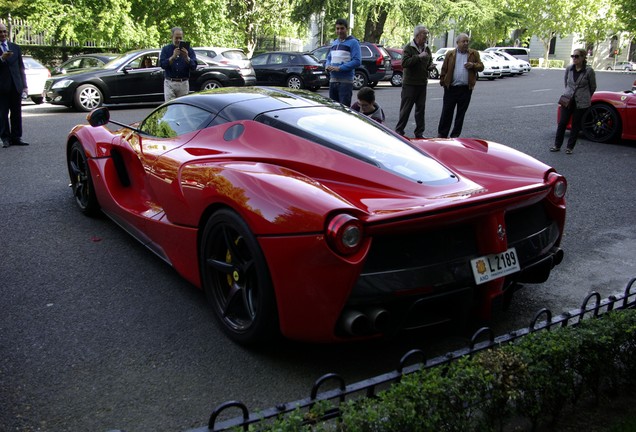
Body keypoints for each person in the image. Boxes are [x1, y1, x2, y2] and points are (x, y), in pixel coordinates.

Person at [437, 33, 484, 138]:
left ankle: (455, 135)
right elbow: (444, 69)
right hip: (451, 88)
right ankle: (442, 134)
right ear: (457, 43)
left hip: (466, 89)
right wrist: (443, 81)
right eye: (463, 41)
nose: (466, 43)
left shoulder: (473, 54)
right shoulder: (450, 54)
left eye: (467, 41)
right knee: (447, 112)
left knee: (460, 114)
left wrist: (473, 65)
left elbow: (481, 66)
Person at [551, 48, 596, 154]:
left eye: (577, 56)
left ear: (583, 58)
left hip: (581, 101)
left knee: (576, 124)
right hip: (567, 99)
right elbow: (566, 83)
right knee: (562, 123)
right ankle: (557, 145)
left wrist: (585, 96)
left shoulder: (589, 71)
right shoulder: (569, 69)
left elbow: (593, 86)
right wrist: (569, 93)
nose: (574, 58)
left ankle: (570, 147)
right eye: (573, 56)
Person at [394, 25, 433, 138]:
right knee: (406, 109)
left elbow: (429, 61)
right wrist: (419, 57)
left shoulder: (427, 48)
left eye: (427, 34)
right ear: (417, 35)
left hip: (422, 83)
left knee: (421, 109)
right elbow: (404, 63)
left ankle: (419, 133)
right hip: (410, 84)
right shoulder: (408, 48)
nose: (426, 36)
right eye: (424, 34)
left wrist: (430, 66)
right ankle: (399, 131)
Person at [0, 22, 29, 148]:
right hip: (1, 87)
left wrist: (25, 86)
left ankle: (16, 137)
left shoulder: (15, 47)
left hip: (15, 85)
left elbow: (21, 67)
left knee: (16, 113)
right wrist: (1, 59)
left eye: (4, 31)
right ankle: (5, 138)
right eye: (0, 32)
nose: (3, 34)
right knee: (2, 114)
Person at [325, 18, 361, 106]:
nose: (339, 31)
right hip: (333, 80)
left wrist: (339, 68)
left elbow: (357, 61)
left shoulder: (353, 42)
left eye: (342, 28)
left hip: (345, 82)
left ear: (347, 29)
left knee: (344, 110)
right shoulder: (334, 43)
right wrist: (327, 65)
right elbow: (329, 58)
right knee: (333, 109)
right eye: (337, 28)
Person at [159, 27, 197, 102]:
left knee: (183, 108)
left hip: (183, 83)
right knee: (170, 107)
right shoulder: (166, 49)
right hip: (170, 82)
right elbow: (162, 65)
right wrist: (173, 57)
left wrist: (187, 57)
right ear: (172, 37)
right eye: (176, 38)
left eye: (180, 38)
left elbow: (194, 66)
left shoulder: (188, 50)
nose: (178, 40)